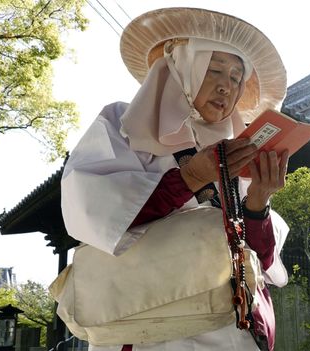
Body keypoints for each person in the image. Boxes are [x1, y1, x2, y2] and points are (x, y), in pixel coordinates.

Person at [60, 7, 289, 351]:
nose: (226, 87)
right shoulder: (126, 125)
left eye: (236, 77)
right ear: (182, 65)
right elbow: (98, 217)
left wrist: (257, 202)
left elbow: (261, 261)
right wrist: (193, 175)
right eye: (214, 69)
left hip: (232, 330)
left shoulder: (238, 147)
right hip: (150, 327)